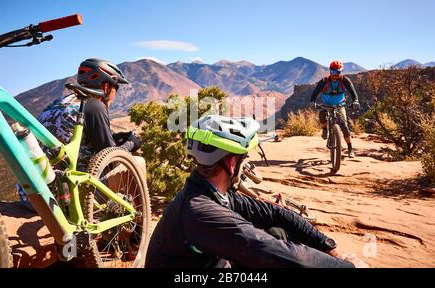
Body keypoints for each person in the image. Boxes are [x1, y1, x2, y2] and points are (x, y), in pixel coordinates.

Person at [146, 115, 368, 268]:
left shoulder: (214, 192)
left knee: (278, 231)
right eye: (244, 159)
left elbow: (276, 213)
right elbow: (278, 253)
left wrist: (331, 249)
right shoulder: (201, 211)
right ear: (232, 164)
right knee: (280, 255)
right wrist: (347, 265)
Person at [16, 58, 140, 210]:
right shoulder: (94, 105)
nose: (115, 93)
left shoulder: (58, 102)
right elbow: (110, 159)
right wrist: (131, 144)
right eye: (116, 87)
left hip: (29, 196)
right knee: (137, 163)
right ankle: (136, 231)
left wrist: (114, 137)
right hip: (61, 200)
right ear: (106, 86)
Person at [310, 60, 360, 158]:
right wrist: (313, 101)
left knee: (344, 126)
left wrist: (356, 101)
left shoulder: (345, 80)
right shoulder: (324, 81)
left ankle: (350, 149)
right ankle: (324, 129)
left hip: (340, 105)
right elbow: (315, 92)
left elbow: (353, 92)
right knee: (322, 116)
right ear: (330, 71)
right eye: (333, 72)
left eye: (338, 72)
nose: (335, 74)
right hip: (326, 104)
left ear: (341, 72)